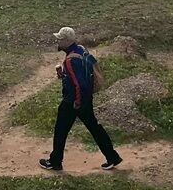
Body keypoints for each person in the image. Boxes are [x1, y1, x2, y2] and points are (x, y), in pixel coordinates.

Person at [40, 26, 122, 172]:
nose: (57, 41)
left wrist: (76, 103)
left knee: (60, 130)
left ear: (66, 41)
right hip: (86, 99)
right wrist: (64, 76)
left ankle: (55, 162)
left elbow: (79, 84)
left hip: (73, 101)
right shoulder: (81, 50)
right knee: (95, 128)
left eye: (59, 39)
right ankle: (112, 157)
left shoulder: (70, 60)